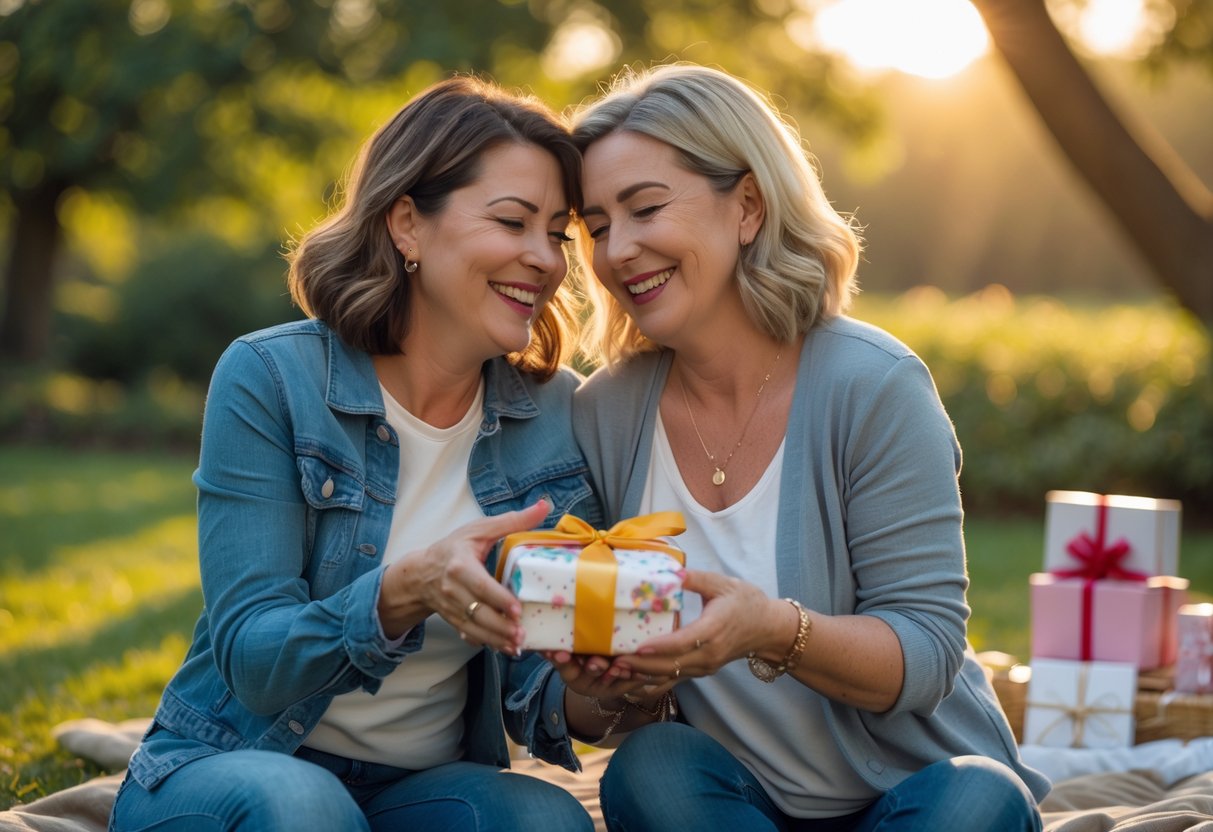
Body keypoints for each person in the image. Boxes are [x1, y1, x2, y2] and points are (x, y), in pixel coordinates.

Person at [554, 63, 1051, 831]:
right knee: (651, 770)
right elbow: (588, 716)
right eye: (596, 226)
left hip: (913, 796)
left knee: (980, 799)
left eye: (645, 208)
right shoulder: (603, 414)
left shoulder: (872, 385)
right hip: (740, 807)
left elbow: (924, 655)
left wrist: (770, 629)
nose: (617, 250)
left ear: (747, 206)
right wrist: (611, 680)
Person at [109, 76, 602, 832]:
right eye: (513, 222)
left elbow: (543, 685)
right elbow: (253, 655)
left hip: (421, 787)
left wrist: (608, 681)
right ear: (407, 223)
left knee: (545, 822)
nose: (545, 259)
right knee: (307, 810)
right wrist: (400, 592)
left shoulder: (555, 410)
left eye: (558, 233)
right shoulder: (272, 378)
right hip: (237, 761)